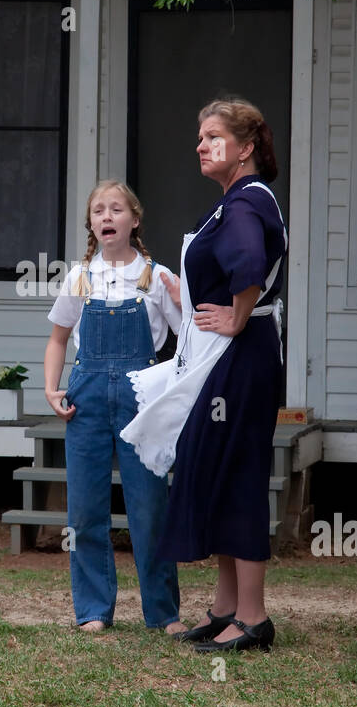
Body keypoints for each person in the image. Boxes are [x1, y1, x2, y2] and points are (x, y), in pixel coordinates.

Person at [121, 98, 287, 652]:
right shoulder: (232, 201)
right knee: (214, 469)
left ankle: (255, 617)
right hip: (224, 355)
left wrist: (238, 316)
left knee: (237, 473)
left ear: (244, 148)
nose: (200, 145)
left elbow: (249, 262)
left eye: (212, 136)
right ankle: (225, 607)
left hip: (240, 359)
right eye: (199, 136)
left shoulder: (245, 202)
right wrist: (186, 295)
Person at [44, 180, 186, 636]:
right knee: (85, 509)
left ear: (134, 220)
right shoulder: (78, 277)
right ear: (91, 224)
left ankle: (163, 613)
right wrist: (51, 389)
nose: (107, 216)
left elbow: (188, 342)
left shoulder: (158, 278)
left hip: (141, 398)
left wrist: (176, 396)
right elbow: (58, 339)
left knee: (149, 508)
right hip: (84, 399)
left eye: (117, 209)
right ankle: (92, 609)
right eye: (99, 210)